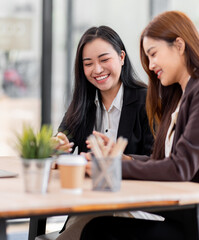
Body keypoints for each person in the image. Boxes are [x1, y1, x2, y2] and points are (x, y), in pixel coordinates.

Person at [80, 11, 199, 240]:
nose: (150, 64)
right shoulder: (180, 97)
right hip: (188, 218)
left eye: (153, 54)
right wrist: (124, 159)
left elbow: (181, 167)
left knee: (100, 232)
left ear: (179, 45)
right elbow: (166, 161)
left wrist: (110, 169)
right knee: (98, 228)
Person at [54, 25, 154, 240]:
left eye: (104, 59)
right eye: (88, 63)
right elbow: (62, 141)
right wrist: (57, 145)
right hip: (91, 205)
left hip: (135, 206)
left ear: (121, 57)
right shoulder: (82, 105)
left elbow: (156, 160)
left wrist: (117, 161)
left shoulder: (147, 101)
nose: (97, 69)